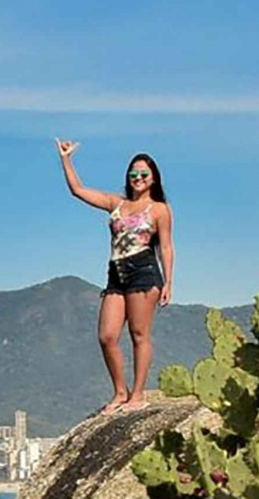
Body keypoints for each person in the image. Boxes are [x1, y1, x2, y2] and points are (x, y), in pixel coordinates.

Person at [55, 140, 175, 414]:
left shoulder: (159, 209)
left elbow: (166, 246)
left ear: (153, 178)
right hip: (116, 274)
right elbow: (78, 191)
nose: (138, 179)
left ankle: (137, 394)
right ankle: (120, 391)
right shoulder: (116, 203)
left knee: (139, 334)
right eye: (133, 174)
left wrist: (169, 281)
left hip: (144, 271)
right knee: (107, 336)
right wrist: (66, 159)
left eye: (144, 174)